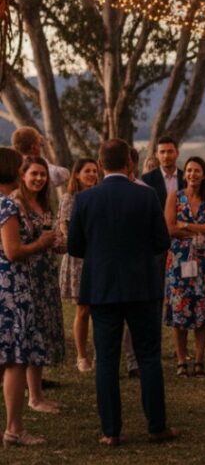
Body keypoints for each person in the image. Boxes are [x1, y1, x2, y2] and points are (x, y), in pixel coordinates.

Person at [68, 138, 176, 446]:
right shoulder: (146, 195)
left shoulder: (85, 199)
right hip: (142, 285)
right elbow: (161, 241)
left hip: (102, 287)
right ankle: (156, 426)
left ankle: (110, 431)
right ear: (129, 163)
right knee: (149, 357)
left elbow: (75, 246)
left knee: (106, 360)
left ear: (100, 164)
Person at [0, 147, 56, 447]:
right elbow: (13, 251)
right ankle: (14, 429)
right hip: (12, 289)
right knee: (15, 359)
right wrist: (41, 243)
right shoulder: (7, 205)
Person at [12, 157, 65, 414]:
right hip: (26, 277)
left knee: (42, 334)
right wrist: (42, 243)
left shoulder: (44, 202)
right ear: (22, 175)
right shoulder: (16, 203)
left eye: (43, 174)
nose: (39, 179)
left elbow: (50, 237)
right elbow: (17, 244)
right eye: (34, 174)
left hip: (46, 276)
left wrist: (58, 242)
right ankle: (32, 397)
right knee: (30, 334)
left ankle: (37, 395)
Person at [164, 157, 205, 378]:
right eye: (188, 170)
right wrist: (200, 229)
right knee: (179, 309)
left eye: (197, 171)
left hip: (203, 261)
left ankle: (199, 360)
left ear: (204, 175)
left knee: (202, 309)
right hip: (179, 260)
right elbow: (169, 228)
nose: (192, 174)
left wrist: (186, 225)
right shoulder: (174, 197)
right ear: (184, 174)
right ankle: (181, 360)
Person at [58, 158, 100, 372]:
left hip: (99, 257)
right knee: (83, 310)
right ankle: (82, 356)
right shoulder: (69, 198)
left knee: (100, 310)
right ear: (76, 174)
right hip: (78, 257)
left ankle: (100, 354)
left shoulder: (100, 195)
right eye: (87, 171)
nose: (92, 174)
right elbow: (64, 226)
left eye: (94, 171)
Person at [142, 136, 185, 208]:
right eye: (162, 152)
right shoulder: (147, 179)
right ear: (156, 155)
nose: (166, 156)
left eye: (170, 151)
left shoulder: (186, 178)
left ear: (177, 153)